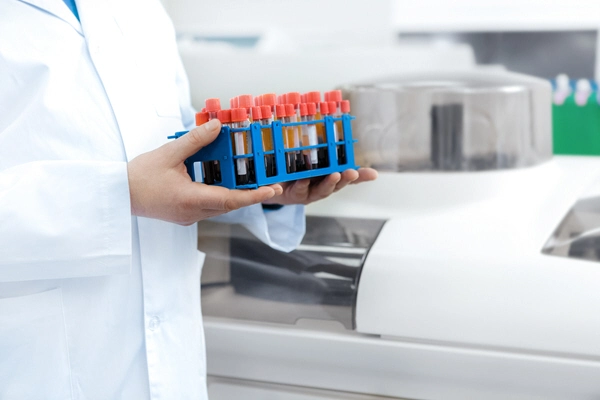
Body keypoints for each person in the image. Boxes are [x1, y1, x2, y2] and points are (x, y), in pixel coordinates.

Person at [0, 0, 377, 399]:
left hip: (169, 364)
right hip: (41, 367)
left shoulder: (139, 9)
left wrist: (264, 188)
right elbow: (135, 182)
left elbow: (172, 153)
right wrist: (121, 193)